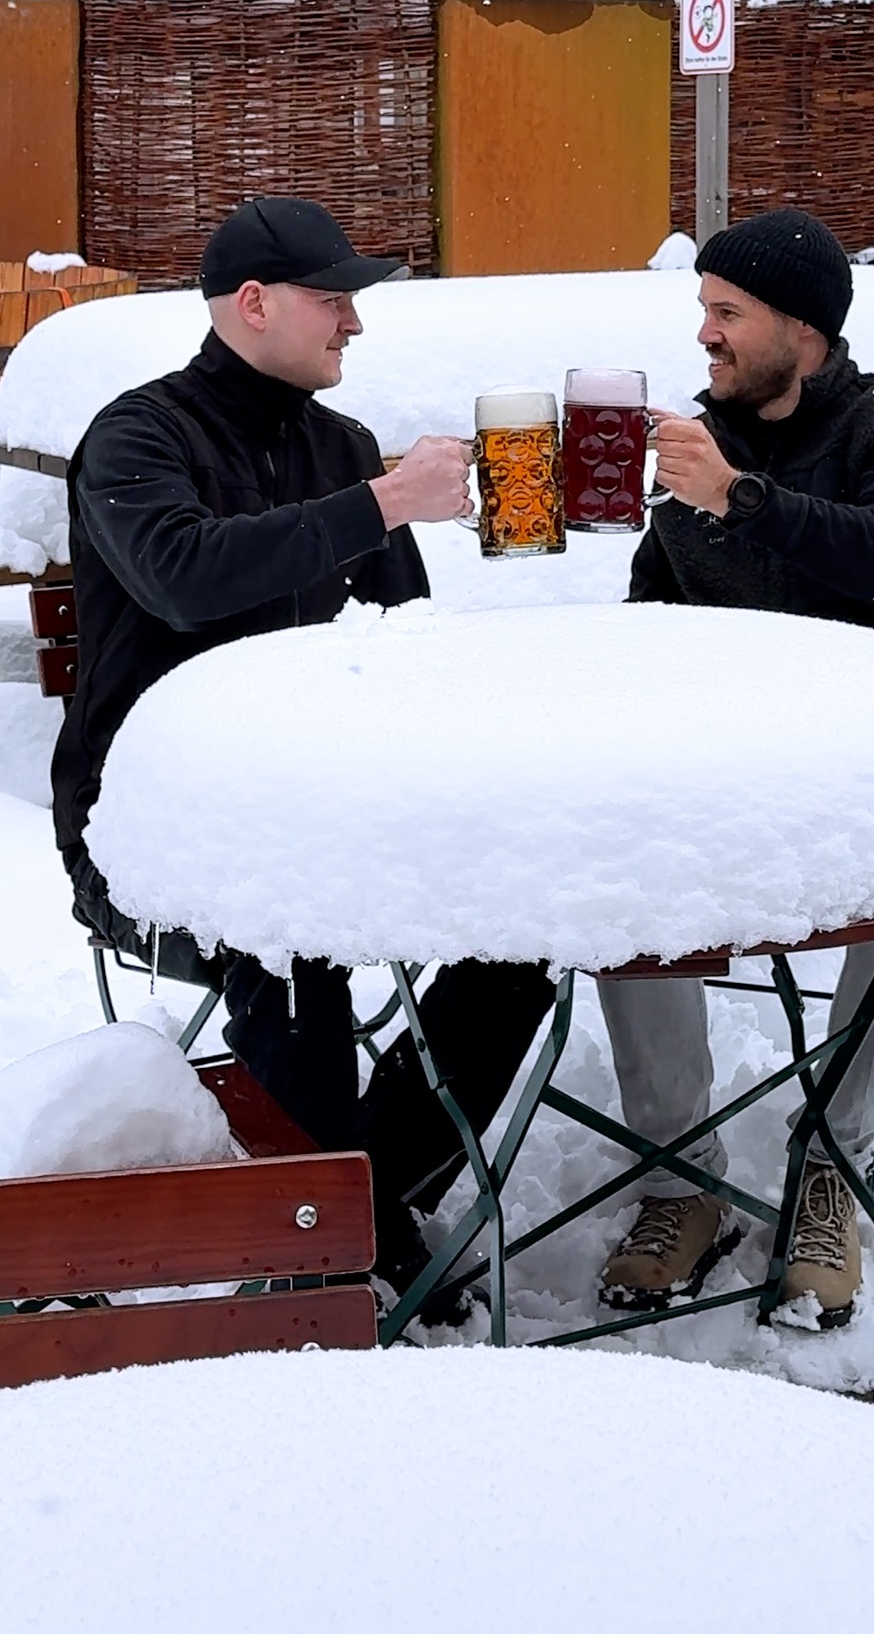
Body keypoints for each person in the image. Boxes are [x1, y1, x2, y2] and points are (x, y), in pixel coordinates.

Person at [52, 196, 555, 1305]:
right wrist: (377, 502)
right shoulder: (137, 437)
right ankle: (319, 1246)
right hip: (151, 831)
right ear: (252, 305)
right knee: (292, 947)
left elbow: (402, 640)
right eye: (336, 303)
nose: (354, 327)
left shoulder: (338, 446)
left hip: (335, 813)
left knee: (527, 932)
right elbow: (184, 575)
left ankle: (362, 1202)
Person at [599, 209, 874, 1328]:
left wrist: (739, 499)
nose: (704, 337)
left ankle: (830, 1170)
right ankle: (677, 1181)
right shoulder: (696, 442)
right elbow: (650, 611)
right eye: (702, 312)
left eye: (728, 314)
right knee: (614, 873)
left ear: (802, 332)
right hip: (725, 769)